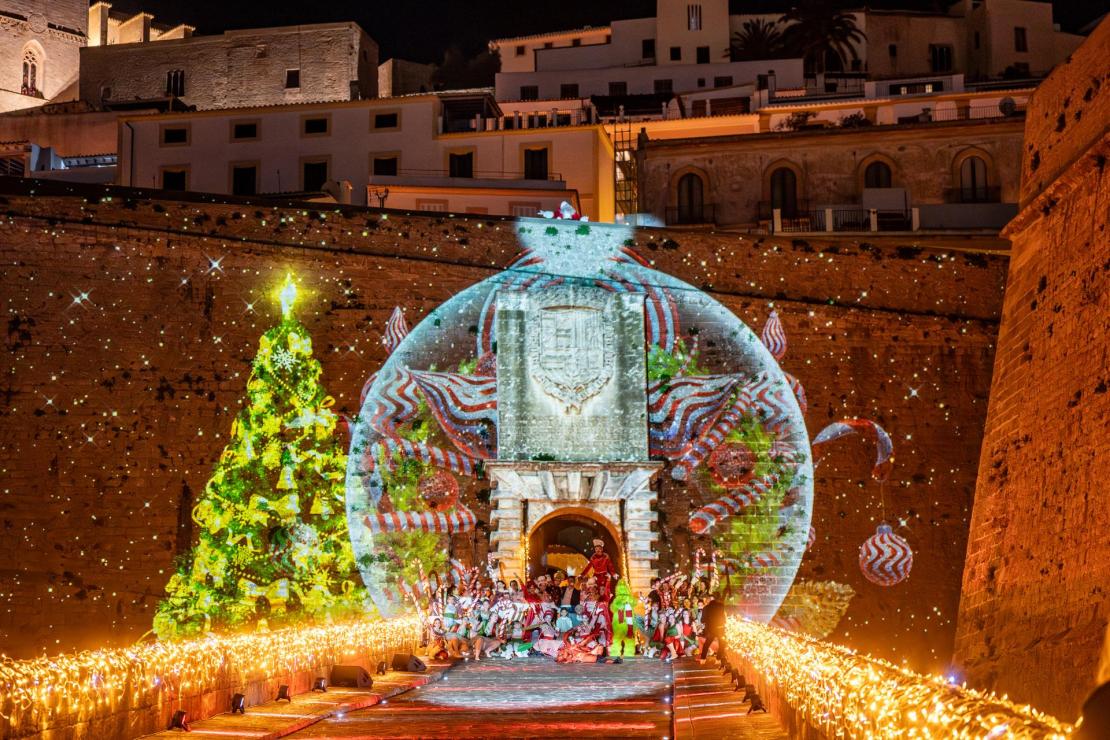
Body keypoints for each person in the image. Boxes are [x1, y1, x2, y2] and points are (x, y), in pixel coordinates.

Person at [581, 539, 619, 604]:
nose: (597, 550)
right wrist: (582, 574)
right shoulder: (593, 557)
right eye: (596, 549)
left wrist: (614, 574)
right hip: (596, 576)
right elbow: (588, 566)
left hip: (604, 575)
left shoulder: (606, 557)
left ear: (602, 549)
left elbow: (610, 566)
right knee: (596, 590)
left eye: (599, 549)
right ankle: (596, 603)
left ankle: (606, 602)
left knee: (605, 589)